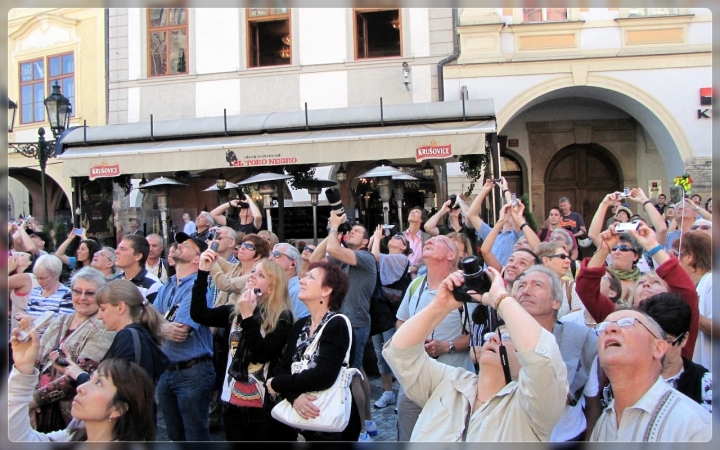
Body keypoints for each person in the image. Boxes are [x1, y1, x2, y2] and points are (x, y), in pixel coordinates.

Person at [384, 266, 568, 441]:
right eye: (497, 335)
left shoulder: (534, 409)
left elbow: (542, 358)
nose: (495, 339)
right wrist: (440, 306)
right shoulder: (449, 383)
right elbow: (400, 353)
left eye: (508, 339)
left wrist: (500, 299)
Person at [191, 256, 295, 441]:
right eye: (253, 271)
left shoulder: (282, 317)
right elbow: (199, 314)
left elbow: (261, 354)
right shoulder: (235, 312)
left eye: (261, 274)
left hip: (264, 408)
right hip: (232, 403)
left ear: (271, 289)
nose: (252, 276)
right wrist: (202, 273)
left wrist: (248, 317)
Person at [575, 222, 699, 361]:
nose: (646, 284)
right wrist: (604, 250)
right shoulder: (617, 316)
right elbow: (586, 288)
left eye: (655, 282)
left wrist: (652, 246)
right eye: (641, 283)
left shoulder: (680, 319)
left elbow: (687, 291)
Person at [265, 261, 361, 442]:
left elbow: (323, 376)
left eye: (310, 277)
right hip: (299, 424)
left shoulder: (337, 324)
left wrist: (277, 384)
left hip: (331, 429)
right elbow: (283, 367)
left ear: (326, 290)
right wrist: (294, 397)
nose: (302, 281)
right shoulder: (301, 324)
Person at [9, 328, 156, 442]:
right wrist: (23, 368)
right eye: (90, 378)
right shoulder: (71, 437)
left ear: (118, 408)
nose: (81, 387)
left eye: (98, 383)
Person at [394, 234, 475, 441]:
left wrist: (447, 346)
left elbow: (477, 336)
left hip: (452, 383)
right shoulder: (416, 285)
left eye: (438, 241)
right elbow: (401, 321)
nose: (429, 241)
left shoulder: (466, 289)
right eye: (428, 241)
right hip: (414, 382)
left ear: (451, 255)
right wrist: (414, 342)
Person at [590, 309, 710, 441]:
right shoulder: (603, 423)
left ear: (658, 348)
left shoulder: (693, 427)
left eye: (626, 322)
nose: (609, 328)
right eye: (602, 326)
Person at [510, 266, 600, 441]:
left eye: (537, 285)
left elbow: (592, 402)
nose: (526, 291)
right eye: (521, 286)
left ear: (556, 302)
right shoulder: (501, 341)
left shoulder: (579, 339)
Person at [309, 214, 378, 440]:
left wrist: (335, 229)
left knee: (351, 376)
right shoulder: (343, 260)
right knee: (358, 370)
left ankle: (360, 431)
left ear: (365, 241)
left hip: (355, 322)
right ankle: (368, 419)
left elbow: (335, 250)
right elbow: (316, 259)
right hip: (343, 321)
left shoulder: (365, 257)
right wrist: (333, 229)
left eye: (356, 232)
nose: (351, 233)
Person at [25, 268, 115, 432]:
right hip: (39, 409)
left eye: (89, 293)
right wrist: (28, 401)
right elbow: (36, 361)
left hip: (71, 412)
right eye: (77, 291)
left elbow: (80, 375)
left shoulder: (104, 328)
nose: (82, 298)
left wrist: (34, 401)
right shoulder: (60, 320)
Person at [154, 232, 215, 441]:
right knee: (174, 435)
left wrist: (155, 326)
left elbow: (180, 331)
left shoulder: (199, 287)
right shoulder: (168, 285)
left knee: (195, 435)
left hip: (193, 372)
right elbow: (147, 321)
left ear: (198, 258)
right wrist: (160, 326)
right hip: (166, 369)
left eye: (186, 245)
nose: (178, 246)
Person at [636, 293, 712, 412]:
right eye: (649, 339)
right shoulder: (626, 377)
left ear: (684, 339)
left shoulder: (705, 384)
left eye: (666, 341)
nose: (656, 348)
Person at [368, 225, 412, 410]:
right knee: (380, 354)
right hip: (379, 310)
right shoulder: (386, 258)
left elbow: (375, 257)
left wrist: (378, 238)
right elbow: (370, 256)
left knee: (394, 353)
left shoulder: (401, 259)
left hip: (393, 312)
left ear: (404, 247)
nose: (394, 238)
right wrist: (373, 238)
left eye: (399, 238)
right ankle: (387, 392)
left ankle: (404, 392)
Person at [673, 232, 712, 370]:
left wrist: (690, 309)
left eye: (676, 253)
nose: (673, 257)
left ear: (689, 257)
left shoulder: (712, 281)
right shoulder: (693, 285)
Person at [209, 233, 270, 305]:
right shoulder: (237, 268)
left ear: (258, 256)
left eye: (249, 246)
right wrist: (210, 250)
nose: (242, 248)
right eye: (243, 244)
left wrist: (210, 261)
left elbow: (226, 284)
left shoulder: (254, 276)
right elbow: (218, 260)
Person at [534, 241, 583, 318]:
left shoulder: (571, 287)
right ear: (546, 261)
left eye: (568, 257)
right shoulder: (529, 287)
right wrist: (566, 317)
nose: (568, 261)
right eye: (562, 257)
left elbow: (579, 320)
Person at [22, 255, 72, 324]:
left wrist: (32, 318)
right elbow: (28, 314)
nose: (39, 281)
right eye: (37, 278)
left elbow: (62, 323)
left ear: (56, 274)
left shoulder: (67, 295)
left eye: (43, 278)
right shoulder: (35, 292)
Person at [113, 234, 163, 304]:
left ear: (138, 256)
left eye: (123, 249)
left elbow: (154, 314)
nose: (116, 251)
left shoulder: (153, 285)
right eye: (118, 248)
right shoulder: (114, 281)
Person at [269, 242, 309, 320]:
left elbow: (301, 325)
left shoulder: (298, 290)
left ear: (293, 264)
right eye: (271, 254)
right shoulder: (275, 288)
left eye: (277, 254)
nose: (270, 258)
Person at [8, 251, 38, 331]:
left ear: (30, 263)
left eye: (21, 255)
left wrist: (8, 269)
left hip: (24, 327)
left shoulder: (25, 277)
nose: (16, 256)